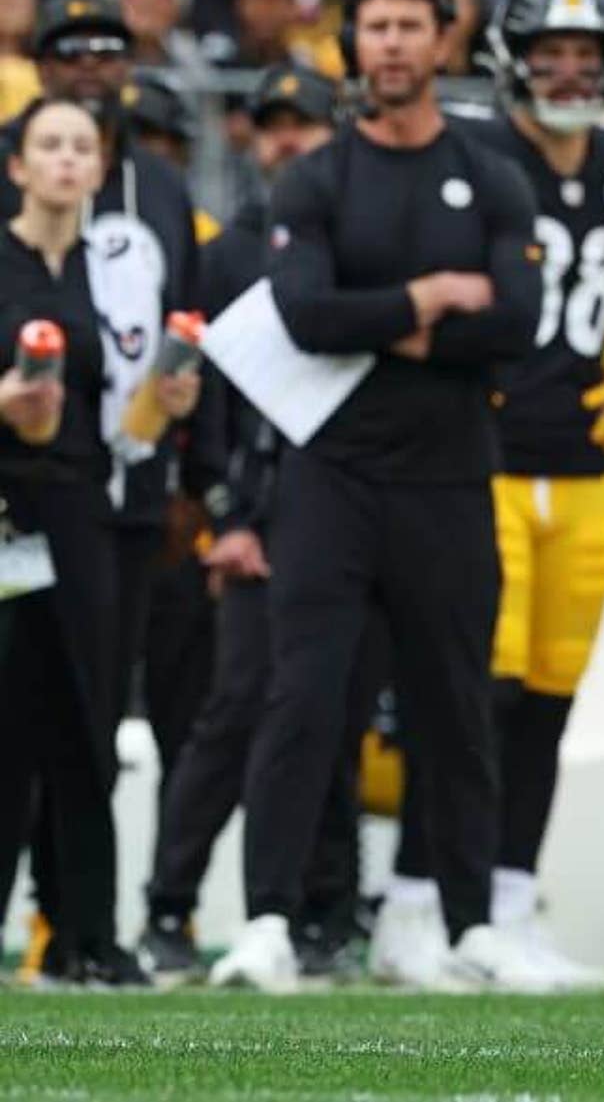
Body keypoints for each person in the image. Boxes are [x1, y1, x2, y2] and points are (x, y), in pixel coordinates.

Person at [210, 0, 544, 993]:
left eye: (409, 25)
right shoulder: (316, 177)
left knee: (457, 705)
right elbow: (303, 314)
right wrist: (430, 298)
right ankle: (267, 921)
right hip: (332, 480)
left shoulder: (492, 173)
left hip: (449, 479)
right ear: (353, 43)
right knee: (302, 698)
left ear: (443, 41)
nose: (392, 43)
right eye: (376, 26)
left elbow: (516, 322)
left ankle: (470, 924)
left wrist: (381, 321)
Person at [371, 0, 604, 990]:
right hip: (483, 458)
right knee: (475, 694)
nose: (567, 71)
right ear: (513, 59)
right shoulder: (470, 150)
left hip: (583, 465)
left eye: (584, 54)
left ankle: (509, 906)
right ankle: (417, 901)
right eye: (549, 53)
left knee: (551, 698)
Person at [138, 64, 372, 985]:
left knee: (333, 716)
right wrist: (227, 511)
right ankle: (171, 904)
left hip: (344, 509)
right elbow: (202, 395)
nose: (286, 140)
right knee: (235, 713)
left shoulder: (361, 239)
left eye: (300, 124)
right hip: (256, 513)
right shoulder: (231, 251)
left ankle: (327, 910)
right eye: (272, 125)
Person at [0, 0, 202, 977]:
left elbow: (133, 390)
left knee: (87, 720)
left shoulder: (115, 261)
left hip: (87, 500)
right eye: (50, 145)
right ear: (17, 163)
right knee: (5, 725)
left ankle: (86, 929)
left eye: (81, 147)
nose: (66, 160)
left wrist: (171, 398)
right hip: (5, 504)